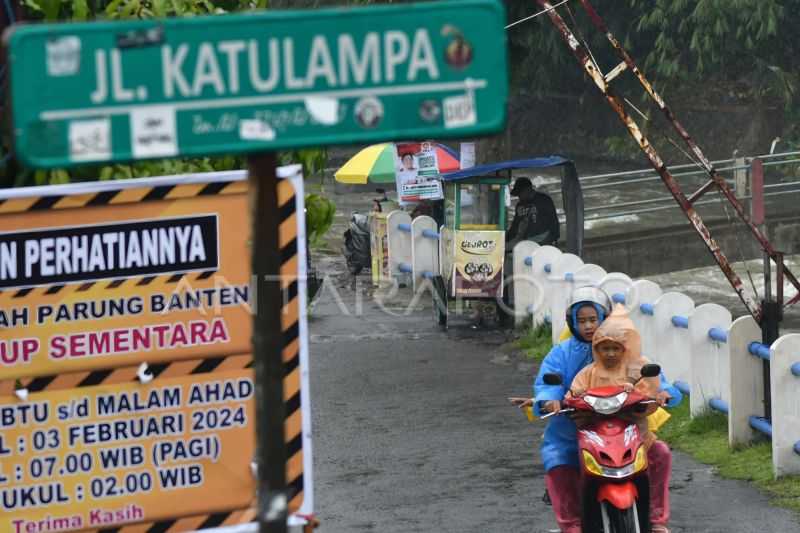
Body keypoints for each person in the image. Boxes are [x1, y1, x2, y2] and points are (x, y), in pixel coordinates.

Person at [509, 287, 680, 533]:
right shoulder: (562, 353)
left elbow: (653, 379)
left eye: (593, 319)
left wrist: (664, 393)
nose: (588, 326)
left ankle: (656, 520)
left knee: (659, 454)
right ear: (571, 322)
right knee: (559, 463)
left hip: (625, 426)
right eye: (581, 321)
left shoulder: (626, 349)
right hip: (573, 426)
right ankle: (572, 524)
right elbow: (548, 383)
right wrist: (550, 401)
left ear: (604, 318)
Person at [568, 303, 664, 451]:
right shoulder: (589, 372)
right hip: (595, 424)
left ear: (624, 349)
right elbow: (574, 391)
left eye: (616, 349)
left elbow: (651, 390)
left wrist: (655, 396)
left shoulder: (637, 369)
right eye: (605, 349)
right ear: (597, 350)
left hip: (632, 424)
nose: (611, 354)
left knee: (660, 452)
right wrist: (575, 397)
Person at [506, 177, 559, 248]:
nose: (519, 197)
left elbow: (554, 223)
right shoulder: (520, 205)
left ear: (528, 189)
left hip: (543, 241)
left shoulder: (544, 200)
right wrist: (507, 239)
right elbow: (515, 225)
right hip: (526, 241)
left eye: (520, 193)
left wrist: (550, 239)